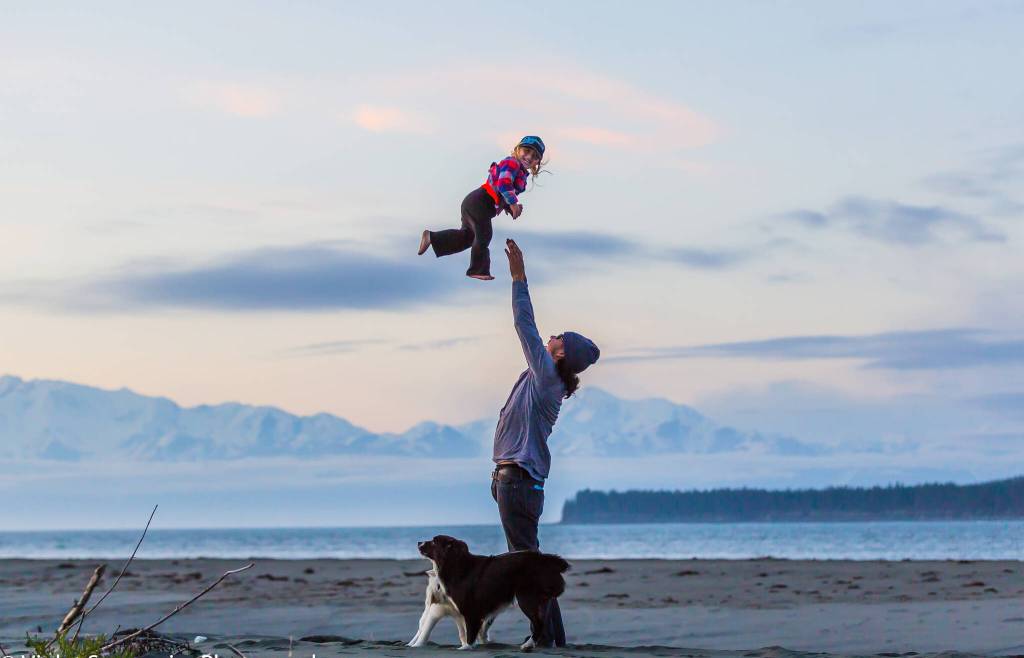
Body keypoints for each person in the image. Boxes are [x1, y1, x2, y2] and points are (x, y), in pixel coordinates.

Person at [490, 238, 600, 647]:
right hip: (517, 482)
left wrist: (518, 277)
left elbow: (524, 325)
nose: (550, 337)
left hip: (518, 483)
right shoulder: (545, 380)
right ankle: (553, 641)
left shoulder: (547, 378)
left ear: (558, 354)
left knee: (525, 567)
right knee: (530, 562)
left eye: (556, 338)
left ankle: (541, 639)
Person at [417, 136, 546, 281]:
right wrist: (513, 203)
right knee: (484, 235)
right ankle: (478, 269)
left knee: (468, 238)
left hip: (477, 204)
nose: (529, 157)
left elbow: (501, 193)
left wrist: (509, 207)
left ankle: (433, 238)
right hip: (479, 202)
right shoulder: (512, 163)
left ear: (537, 163)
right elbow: (504, 184)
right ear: (517, 149)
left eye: (535, 157)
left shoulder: (521, 172)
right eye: (526, 151)